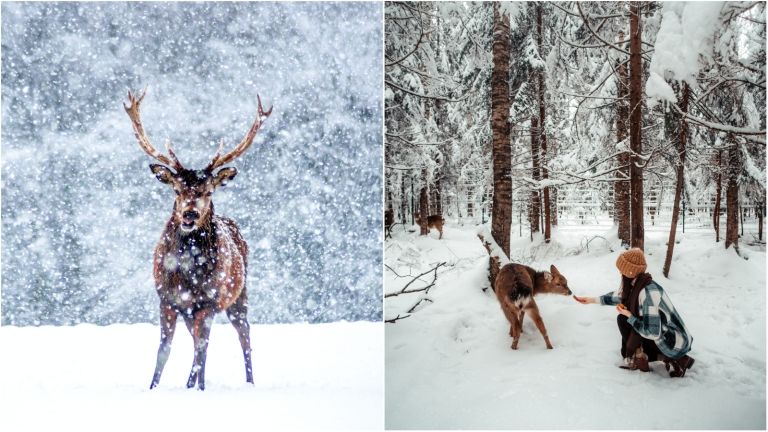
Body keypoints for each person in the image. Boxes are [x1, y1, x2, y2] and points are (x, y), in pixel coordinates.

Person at [574, 248, 695, 377]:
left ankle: (654, 358)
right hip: (666, 335)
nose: (620, 272)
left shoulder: (648, 293)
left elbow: (653, 332)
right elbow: (620, 297)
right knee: (624, 320)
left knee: (625, 320)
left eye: (622, 269)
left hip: (673, 342)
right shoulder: (638, 284)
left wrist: (630, 316)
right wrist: (591, 300)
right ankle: (674, 360)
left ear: (630, 271)